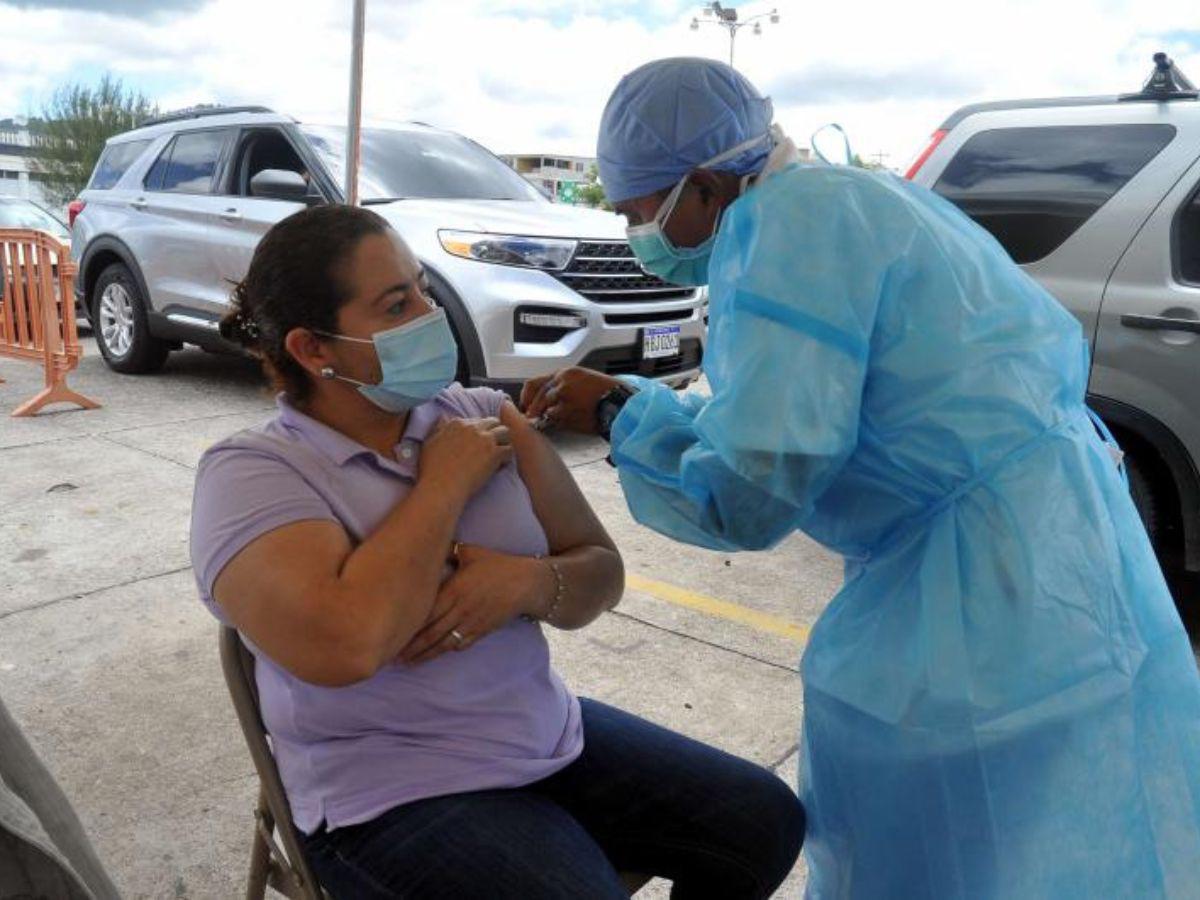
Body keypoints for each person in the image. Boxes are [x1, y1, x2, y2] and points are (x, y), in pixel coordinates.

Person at [522, 58, 1200, 898]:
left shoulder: (787, 236)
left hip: (980, 607)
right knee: (1074, 829)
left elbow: (752, 485)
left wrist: (618, 420)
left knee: (955, 835)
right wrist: (635, 399)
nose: (638, 236)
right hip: (1063, 553)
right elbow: (811, 416)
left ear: (701, 186)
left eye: (636, 212)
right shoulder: (849, 200)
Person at [189, 204, 804, 900]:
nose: (430, 314)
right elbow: (344, 645)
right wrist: (442, 484)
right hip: (390, 791)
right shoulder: (253, 473)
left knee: (764, 820)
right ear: (313, 349)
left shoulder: (480, 413)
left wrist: (527, 585)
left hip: (541, 735)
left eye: (421, 288)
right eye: (397, 304)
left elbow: (600, 571)